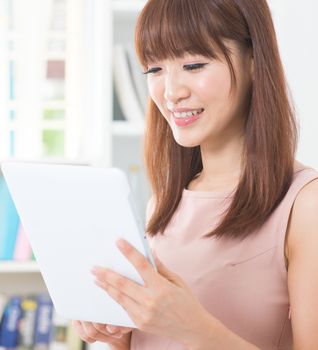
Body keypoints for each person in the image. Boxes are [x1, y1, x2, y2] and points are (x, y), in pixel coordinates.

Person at [72, 0, 318, 349]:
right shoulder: (162, 204)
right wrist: (119, 332)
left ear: (252, 62)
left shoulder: (305, 205)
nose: (171, 92)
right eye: (155, 70)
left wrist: (193, 327)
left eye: (194, 64)